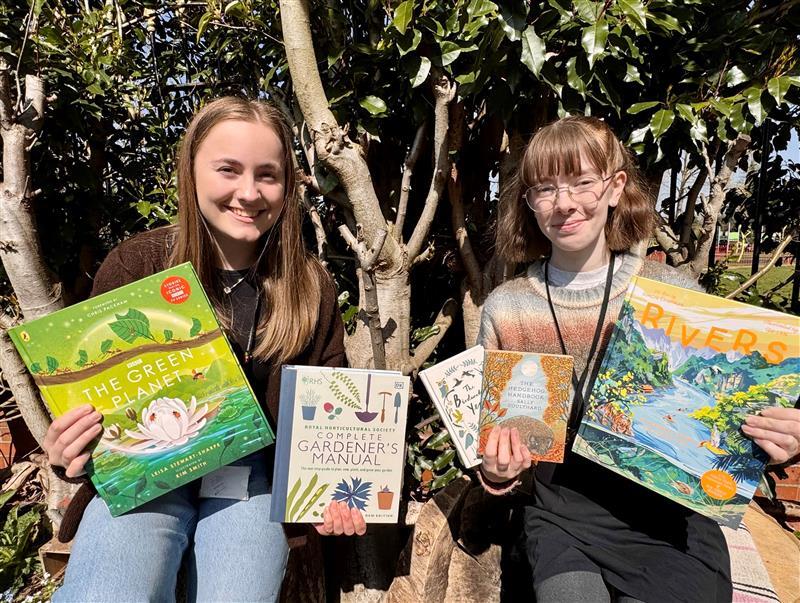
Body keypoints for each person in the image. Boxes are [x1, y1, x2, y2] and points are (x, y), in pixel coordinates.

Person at [45, 97, 365, 603]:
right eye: (228, 170)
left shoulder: (310, 286)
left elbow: (327, 411)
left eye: (268, 175)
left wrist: (330, 492)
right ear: (191, 170)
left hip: (247, 480)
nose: (249, 192)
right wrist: (69, 451)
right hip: (147, 474)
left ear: (289, 186)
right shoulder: (138, 264)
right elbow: (92, 399)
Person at [477, 116, 800, 603]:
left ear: (615, 188)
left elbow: (728, 427)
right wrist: (497, 472)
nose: (564, 203)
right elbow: (498, 443)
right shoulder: (507, 307)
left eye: (583, 182)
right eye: (544, 189)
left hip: (670, 517)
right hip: (563, 517)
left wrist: (775, 439)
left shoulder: (672, 295)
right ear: (528, 203)